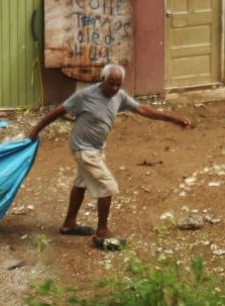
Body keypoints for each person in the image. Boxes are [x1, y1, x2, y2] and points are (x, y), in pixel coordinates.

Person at [26, 64, 191, 249]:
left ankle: (68, 224)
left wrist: (173, 119)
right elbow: (58, 111)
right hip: (83, 149)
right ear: (102, 79)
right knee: (107, 186)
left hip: (96, 149)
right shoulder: (85, 96)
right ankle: (101, 232)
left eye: (118, 85)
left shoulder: (119, 96)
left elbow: (143, 110)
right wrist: (35, 131)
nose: (114, 88)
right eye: (111, 84)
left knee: (81, 182)